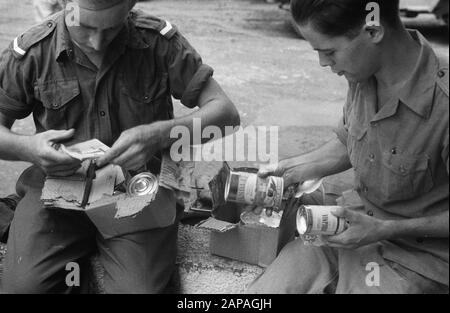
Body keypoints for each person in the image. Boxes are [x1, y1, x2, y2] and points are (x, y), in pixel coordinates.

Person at [0, 0, 239, 293]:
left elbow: (225, 114)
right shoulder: (34, 51)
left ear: (130, 7)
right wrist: (28, 148)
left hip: (138, 192)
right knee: (24, 288)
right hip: (57, 194)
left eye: (112, 28)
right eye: (85, 27)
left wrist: (160, 134)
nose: (98, 42)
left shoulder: (157, 42)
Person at [247, 0, 449, 294]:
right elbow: (349, 142)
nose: (323, 63)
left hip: (416, 255)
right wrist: (289, 171)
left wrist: (386, 229)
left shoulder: (444, 103)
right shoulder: (364, 72)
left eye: (329, 52)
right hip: (347, 226)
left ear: (374, 30)